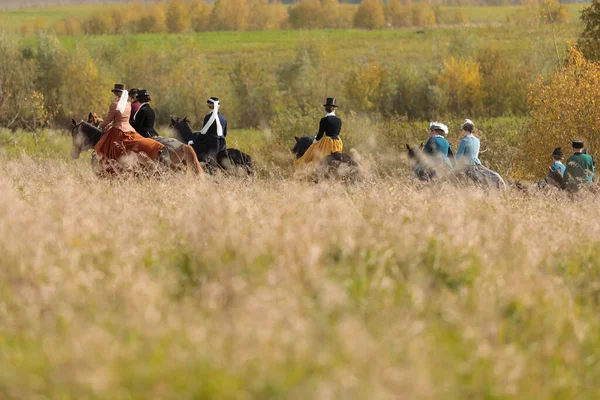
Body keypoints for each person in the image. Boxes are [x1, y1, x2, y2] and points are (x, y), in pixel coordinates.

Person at [95, 83, 164, 172]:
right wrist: (112, 123)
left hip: (118, 130)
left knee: (106, 147)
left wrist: (99, 126)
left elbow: (108, 120)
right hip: (130, 129)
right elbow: (122, 118)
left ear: (116, 93)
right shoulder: (128, 104)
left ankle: (110, 168)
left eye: (115, 93)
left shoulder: (114, 105)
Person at [294, 97, 343, 171]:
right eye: (327, 106)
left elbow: (320, 134)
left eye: (328, 106)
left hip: (328, 142)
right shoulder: (339, 120)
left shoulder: (324, 120)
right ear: (334, 108)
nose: (327, 108)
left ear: (334, 108)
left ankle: (313, 169)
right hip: (337, 142)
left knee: (317, 158)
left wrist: (314, 141)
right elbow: (337, 133)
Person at [189, 97, 227, 162]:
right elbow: (225, 133)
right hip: (222, 144)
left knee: (191, 146)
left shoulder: (208, 117)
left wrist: (194, 141)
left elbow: (203, 134)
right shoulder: (223, 118)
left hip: (211, 144)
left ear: (209, 105)